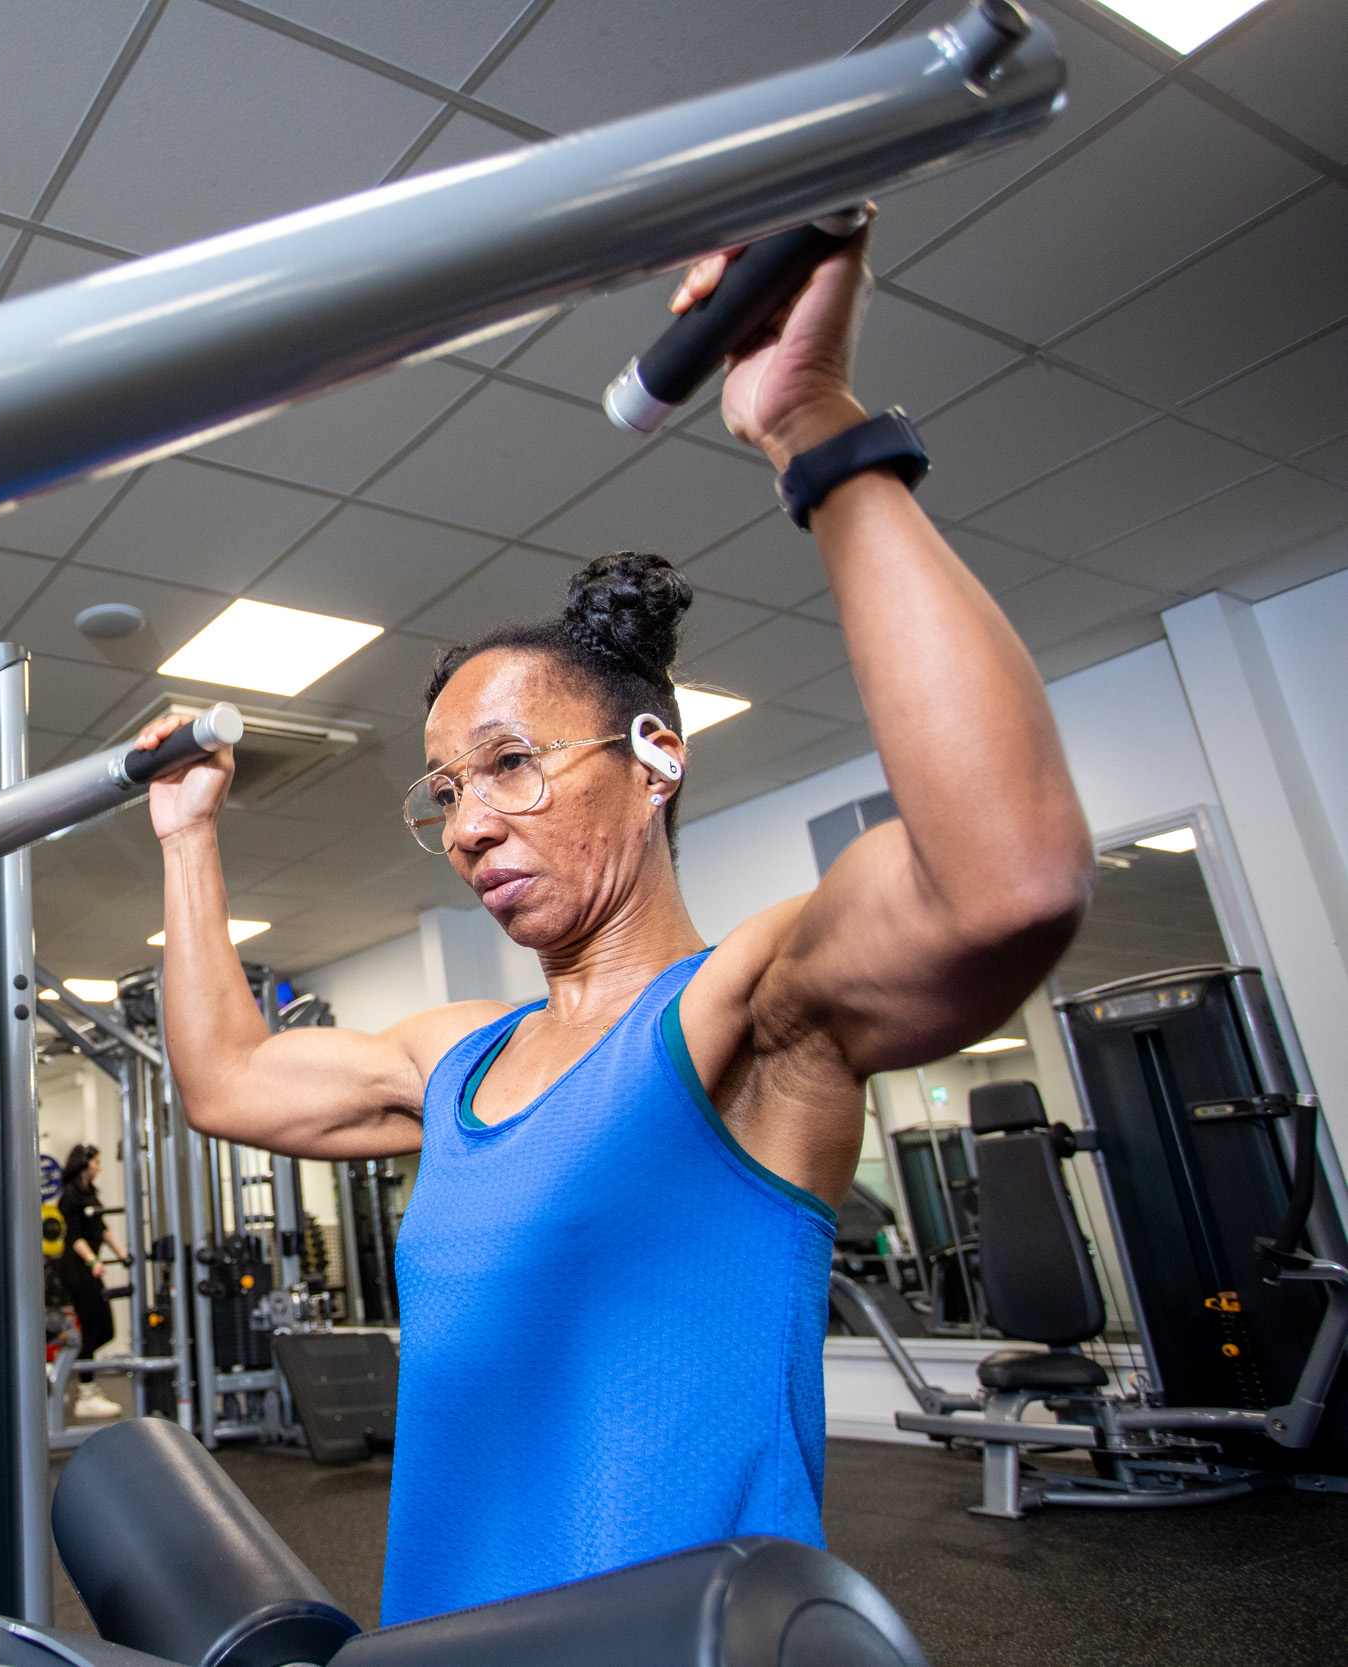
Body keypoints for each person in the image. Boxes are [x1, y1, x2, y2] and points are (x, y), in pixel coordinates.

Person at [132, 224, 1090, 1621]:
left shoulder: (747, 1017)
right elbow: (223, 1077)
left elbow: (1007, 877)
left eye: (514, 764)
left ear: (654, 758)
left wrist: (809, 426)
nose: (467, 822)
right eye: (448, 788)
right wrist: (189, 833)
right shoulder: (455, 1059)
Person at [55, 1143, 130, 1418]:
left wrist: (123, 1254)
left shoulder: (91, 1194)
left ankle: (60, 1370)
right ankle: (85, 1394)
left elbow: (102, 1228)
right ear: (84, 1164)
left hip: (90, 1267)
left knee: (106, 1330)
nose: (99, 1166)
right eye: (96, 1162)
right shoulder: (70, 1197)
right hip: (77, 1268)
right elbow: (74, 1238)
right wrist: (93, 1261)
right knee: (90, 1328)